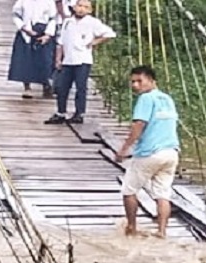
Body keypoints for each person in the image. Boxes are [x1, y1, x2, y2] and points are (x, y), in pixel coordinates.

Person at [115, 66, 180, 239]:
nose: (135, 85)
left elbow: (139, 126)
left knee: (129, 189)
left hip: (149, 153)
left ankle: (131, 228)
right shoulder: (167, 99)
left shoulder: (146, 99)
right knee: (163, 194)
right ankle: (162, 231)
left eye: (139, 81)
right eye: (133, 82)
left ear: (151, 81)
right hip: (171, 153)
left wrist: (123, 149)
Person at [44, 0, 115, 124]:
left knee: (81, 88)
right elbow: (60, 42)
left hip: (83, 60)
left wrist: (94, 42)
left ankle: (79, 113)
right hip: (68, 60)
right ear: (74, 7)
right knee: (61, 87)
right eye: (80, 6)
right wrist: (58, 59)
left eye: (85, 7)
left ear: (90, 10)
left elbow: (110, 33)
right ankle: (61, 112)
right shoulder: (67, 22)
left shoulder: (92, 22)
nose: (81, 9)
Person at [8, 0, 57, 99]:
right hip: (26, 31)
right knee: (26, 60)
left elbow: (53, 19)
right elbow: (16, 15)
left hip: (43, 31)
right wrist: (24, 28)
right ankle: (27, 87)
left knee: (45, 60)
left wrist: (48, 35)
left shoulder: (49, 2)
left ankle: (46, 84)